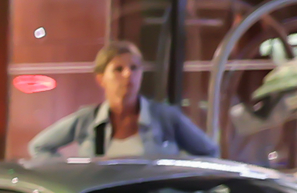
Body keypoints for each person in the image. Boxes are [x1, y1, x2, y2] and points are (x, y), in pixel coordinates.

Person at [28, 40, 220, 159]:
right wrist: (70, 175)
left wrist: (178, 182)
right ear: (101, 79)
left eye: (134, 68)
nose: (128, 75)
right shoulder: (87, 120)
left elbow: (209, 152)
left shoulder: (165, 118)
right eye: (119, 69)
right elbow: (39, 147)